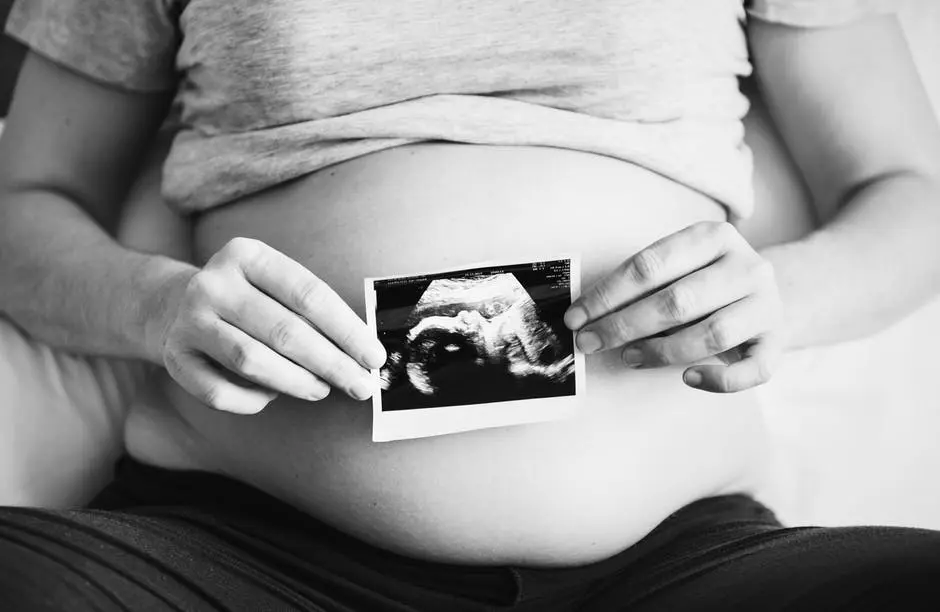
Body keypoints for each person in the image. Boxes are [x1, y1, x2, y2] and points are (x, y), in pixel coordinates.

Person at [1, 0, 940, 609]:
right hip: (236, 547)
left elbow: (914, 193)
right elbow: (22, 201)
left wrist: (783, 297)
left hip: (685, 565)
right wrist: (152, 306)